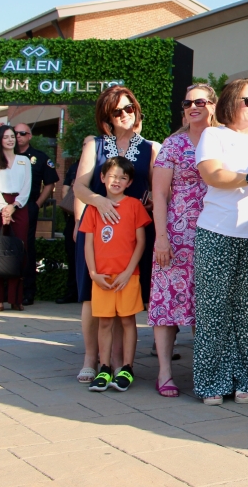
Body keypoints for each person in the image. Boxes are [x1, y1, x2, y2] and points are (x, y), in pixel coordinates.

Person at [194, 78, 248, 405]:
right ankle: (211, 382)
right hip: (217, 231)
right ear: (231, 102)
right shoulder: (214, 135)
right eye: (247, 100)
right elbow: (212, 174)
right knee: (214, 310)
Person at [73, 86, 159, 384]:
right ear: (107, 116)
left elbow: (158, 189)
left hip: (133, 232)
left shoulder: (150, 147)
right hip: (97, 229)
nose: (125, 114)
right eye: (117, 111)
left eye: (129, 108)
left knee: (126, 297)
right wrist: (99, 201)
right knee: (91, 295)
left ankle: (121, 363)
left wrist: (151, 199)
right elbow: (79, 186)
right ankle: (90, 358)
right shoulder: (94, 145)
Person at [150, 84, 216, 397]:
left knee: (205, 305)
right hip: (176, 237)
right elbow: (159, 194)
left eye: (199, 101)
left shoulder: (223, 140)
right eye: (188, 103)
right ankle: (164, 371)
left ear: (213, 105)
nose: (193, 107)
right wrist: (161, 238)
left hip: (214, 232)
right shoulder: (173, 144)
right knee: (168, 302)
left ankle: (204, 373)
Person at [80, 157, 151, 392]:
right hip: (102, 277)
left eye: (123, 177)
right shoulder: (94, 208)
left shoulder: (134, 206)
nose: (116, 180)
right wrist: (93, 273)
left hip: (128, 277)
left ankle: (127, 368)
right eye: (112, 176)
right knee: (104, 323)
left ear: (129, 182)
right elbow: (88, 244)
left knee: (128, 321)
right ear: (102, 178)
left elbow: (141, 242)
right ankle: (104, 367)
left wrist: (129, 271)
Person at [0, 125, 31, 311]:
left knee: (18, 250)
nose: (11, 140)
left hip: (19, 206)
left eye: (12, 136)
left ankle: (15, 297)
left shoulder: (24, 160)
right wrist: (3, 208)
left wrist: (13, 206)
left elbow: (26, 187)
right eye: (6, 137)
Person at [13, 123, 59, 306]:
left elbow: (50, 183)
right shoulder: (6, 155)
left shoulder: (39, 157)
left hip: (27, 207)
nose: (18, 136)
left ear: (29, 136)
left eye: (22, 133)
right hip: (5, 207)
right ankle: (6, 290)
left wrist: (38, 204)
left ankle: (27, 291)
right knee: (5, 245)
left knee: (26, 247)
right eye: (15, 133)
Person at [55, 159, 80, 305]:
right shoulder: (75, 167)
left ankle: (77, 292)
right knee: (73, 256)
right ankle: (76, 291)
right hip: (77, 216)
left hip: (84, 215)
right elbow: (64, 189)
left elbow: (65, 190)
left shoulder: (76, 167)